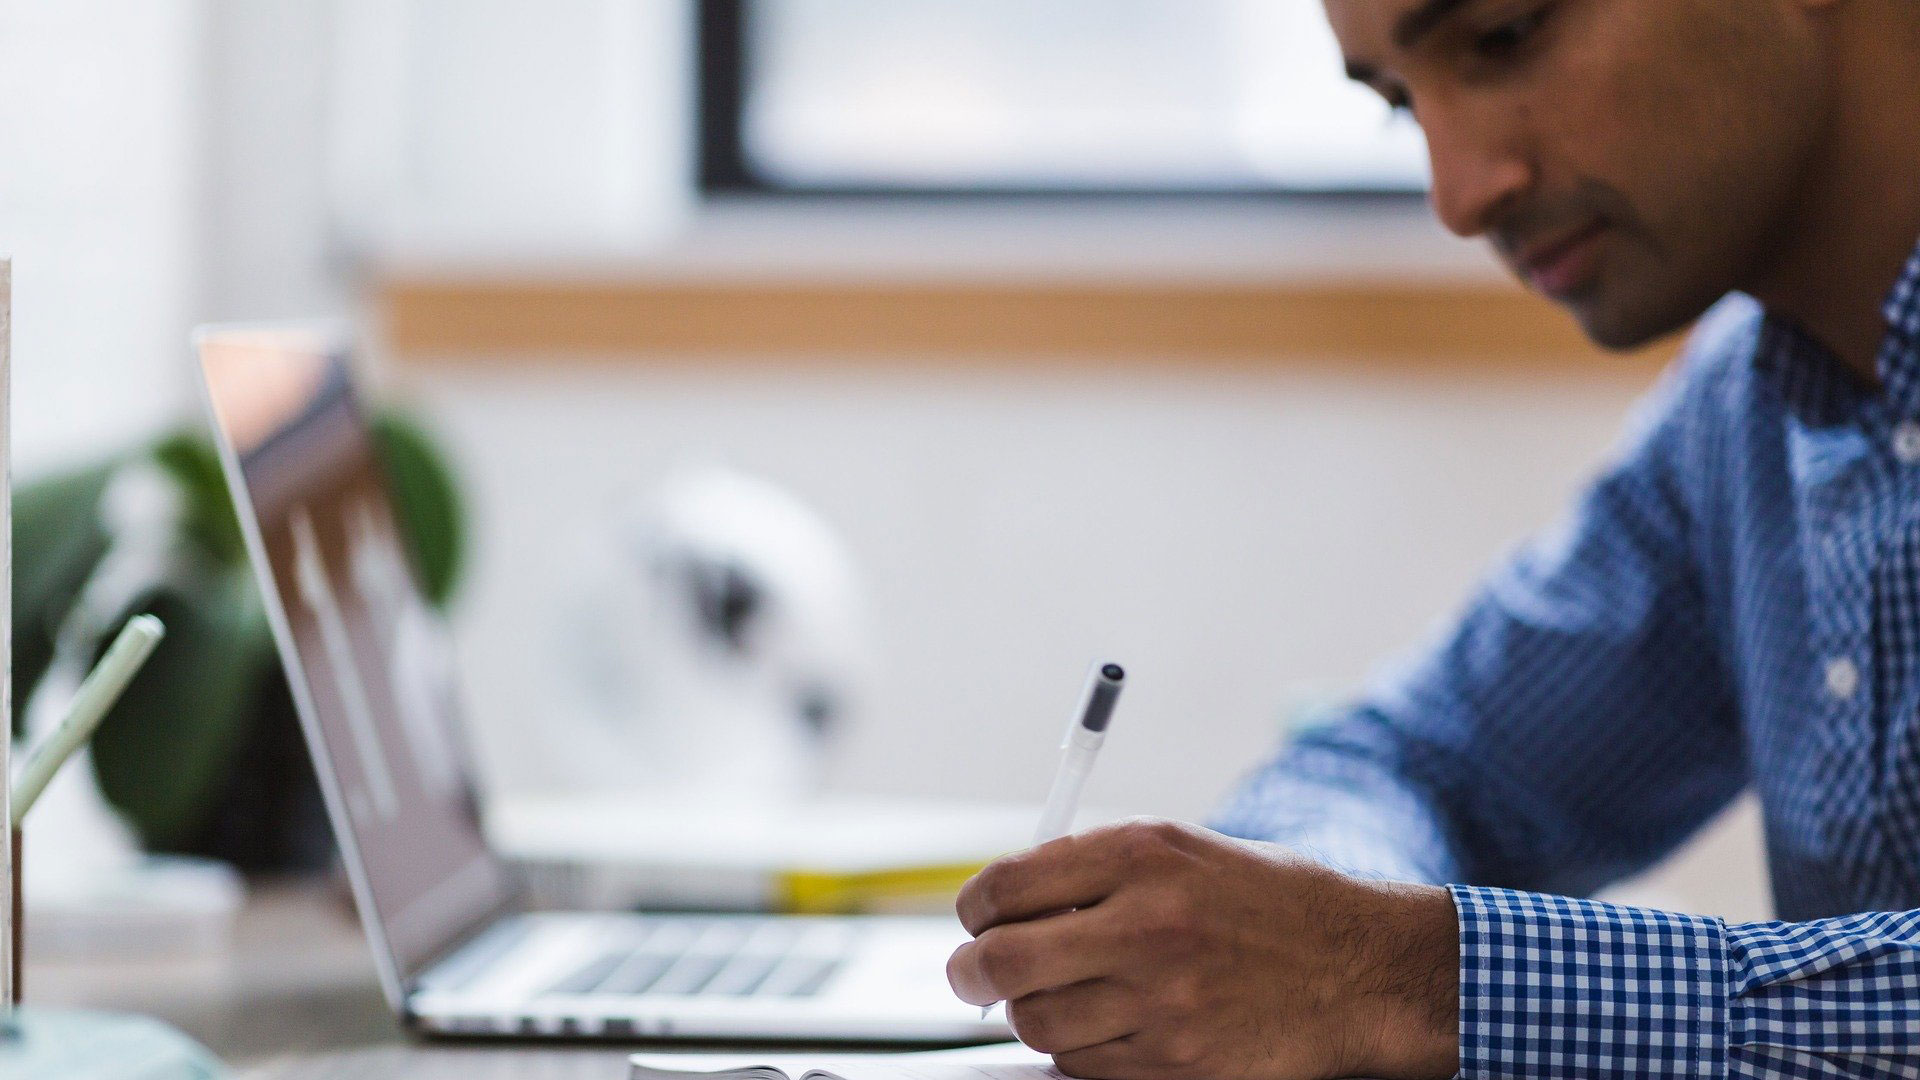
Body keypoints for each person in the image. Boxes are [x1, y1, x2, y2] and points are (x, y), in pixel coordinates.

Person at [942, 1, 1920, 1077]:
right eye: (1401, 105)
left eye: (1505, 36)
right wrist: (1300, 943)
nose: (1459, 197)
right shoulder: (1748, 410)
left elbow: (1386, 961)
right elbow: (1415, 763)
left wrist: (1402, 979)